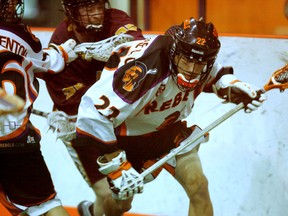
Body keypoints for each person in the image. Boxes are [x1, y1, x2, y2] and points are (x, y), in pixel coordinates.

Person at [75, 17, 267, 216]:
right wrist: (117, 165)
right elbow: (92, 114)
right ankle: (93, 212)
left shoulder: (195, 55)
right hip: (126, 139)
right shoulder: (147, 68)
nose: (192, 71)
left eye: (199, 64)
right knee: (120, 206)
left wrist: (231, 86)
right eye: (186, 61)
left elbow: (215, 74)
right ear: (175, 53)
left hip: (168, 133)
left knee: (198, 185)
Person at [35, 0, 145, 215]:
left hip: (116, 124)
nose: (96, 13)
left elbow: (140, 47)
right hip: (81, 129)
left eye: (98, 6)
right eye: (87, 8)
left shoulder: (116, 19)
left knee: (123, 202)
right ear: (71, 12)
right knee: (108, 195)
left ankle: (92, 212)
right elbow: (74, 108)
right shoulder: (61, 42)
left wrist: (116, 49)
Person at [0, 0, 77, 215]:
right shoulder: (21, 34)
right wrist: (63, 52)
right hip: (19, 139)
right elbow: (47, 64)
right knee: (46, 206)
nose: (13, 7)